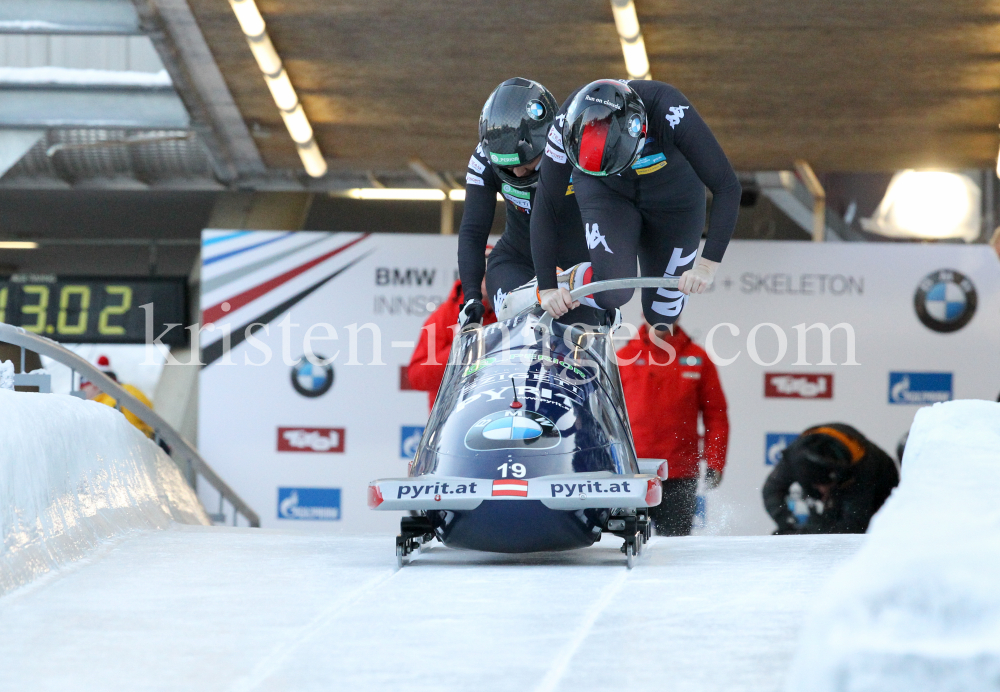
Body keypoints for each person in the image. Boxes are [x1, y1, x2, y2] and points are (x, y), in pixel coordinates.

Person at [530, 79, 741, 325]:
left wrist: (707, 266)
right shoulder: (565, 121)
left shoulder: (670, 109)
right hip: (607, 192)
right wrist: (546, 287)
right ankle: (547, 286)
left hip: (676, 199)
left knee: (663, 314)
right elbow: (546, 204)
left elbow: (727, 186)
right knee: (613, 291)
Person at [457, 77, 594, 327]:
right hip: (516, 261)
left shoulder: (579, 149)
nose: (518, 174)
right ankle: (537, 293)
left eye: (526, 164)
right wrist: (472, 298)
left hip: (577, 269)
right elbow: (473, 231)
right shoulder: (483, 159)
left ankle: (550, 289)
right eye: (508, 168)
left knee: (573, 341)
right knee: (517, 318)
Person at [616, 322, 729, 535]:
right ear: (644, 313)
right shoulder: (623, 357)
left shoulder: (699, 358)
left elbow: (716, 415)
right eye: (655, 309)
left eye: (668, 308)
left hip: (679, 474)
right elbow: (607, 415)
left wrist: (715, 461)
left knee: (676, 550)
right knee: (626, 545)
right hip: (632, 472)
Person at [763, 423, 899, 534]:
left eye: (825, 485)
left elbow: (853, 526)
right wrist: (788, 524)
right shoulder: (795, 458)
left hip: (879, 488)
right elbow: (772, 490)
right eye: (817, 485)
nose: (822, 490)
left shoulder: (863, 466)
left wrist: (815, 532)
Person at [408, 251, 497, 410]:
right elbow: (417, 377)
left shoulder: (517, 313)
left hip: (499, 412)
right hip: (451, 418)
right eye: (481, 271)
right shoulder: (444, 315)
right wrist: (463, 347)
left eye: (492, 270)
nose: (485, 278)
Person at [82, 354, 155, 438]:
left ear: (94, 385)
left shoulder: (105, 405)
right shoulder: (132, 390)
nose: (82, 392)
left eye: (83, 387)